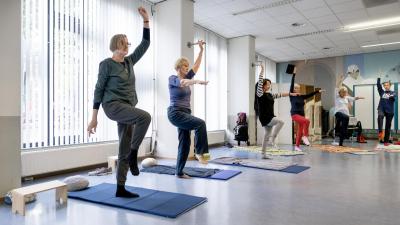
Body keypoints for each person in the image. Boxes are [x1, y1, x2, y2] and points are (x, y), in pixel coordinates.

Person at [87, 7, 151, 198]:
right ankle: (134, 154)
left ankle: (120, 188)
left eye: (127, 44)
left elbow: (145, 44)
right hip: (112, 106)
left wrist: (146, 20)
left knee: (123, 146)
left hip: (127, 107)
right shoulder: (106, 64)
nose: (126, 46)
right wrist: (94, 118)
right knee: (145, 117)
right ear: (115, 45)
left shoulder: (130, 61)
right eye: (123, 43)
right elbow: (98, 90)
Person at [167, 40, 209, 179]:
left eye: (187, 66)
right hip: (175, 112)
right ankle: (200, 153)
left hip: (185, 113)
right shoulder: (173, 78)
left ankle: (179, 172)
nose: (187, 68)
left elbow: (196, 65)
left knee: (185, 143)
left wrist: (201, 50)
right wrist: (196, 82)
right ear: (178, 67)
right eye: (184, 66)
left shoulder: (188, 76)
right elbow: (183, 82)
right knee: (200, 123)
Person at [255, 64, 293, 158]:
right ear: (263, 86)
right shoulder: (260, 94)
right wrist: (262, 70)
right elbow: (260, 81)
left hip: (270, 116)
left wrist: (290, 94)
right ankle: (274, 138)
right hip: (265, 117)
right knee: (281, 121)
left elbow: (280, 94)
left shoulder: (270, 95)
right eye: (267, 84)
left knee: (266, 136)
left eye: (269, 84)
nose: (269, 85)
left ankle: (263, 154)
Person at [289, 71, 324, 151]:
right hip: (294, 114)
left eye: (297, 88)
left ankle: (297, 146)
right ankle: (305, 136)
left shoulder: (301, 96)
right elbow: (291, 85)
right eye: (295, 88)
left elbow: (310, 95)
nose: (296, 89)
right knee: (307, 121)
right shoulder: (292, 96)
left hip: (301, 114)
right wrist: (294, 74)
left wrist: (318, 91)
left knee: (300, 131)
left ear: (299, 89)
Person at [335, 75, 364, 146]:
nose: (344, 94)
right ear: (340, 92)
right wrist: (340, 80)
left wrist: (359, 97)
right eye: (343, 92)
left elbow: (353, 98)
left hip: (345, 115)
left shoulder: (346, 97)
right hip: (338, 113)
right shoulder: (337, 96)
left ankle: (341, 142)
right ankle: (337, 128)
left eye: (345, 92)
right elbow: (337, 87)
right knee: (346, 118)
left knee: (344, 129)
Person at [376, 78, 396, 144]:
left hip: (390, 111)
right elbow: (378, 86)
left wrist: (391, 96)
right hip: (381, 108)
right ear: (384, 86)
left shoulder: (393, 92)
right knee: (380, 116)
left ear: (390, 86)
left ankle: (386, 141)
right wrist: (378, 79)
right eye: (385, 85)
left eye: (387, 85)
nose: (386, 86)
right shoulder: (382, 92)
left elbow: (393, 97)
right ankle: (380, 131)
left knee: (388, 126)